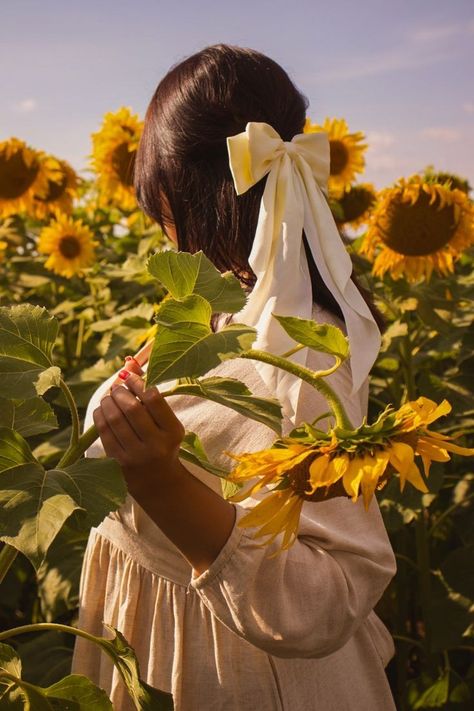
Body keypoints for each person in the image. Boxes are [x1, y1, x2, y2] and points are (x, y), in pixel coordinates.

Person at [72, 44, 397, 710]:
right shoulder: (224, 304)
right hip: (162, 648)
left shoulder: (304, 345)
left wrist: (161, 480)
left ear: (188, 188)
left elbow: (332, 593)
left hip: (233, 679)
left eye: (156, 192)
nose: (157, 222)